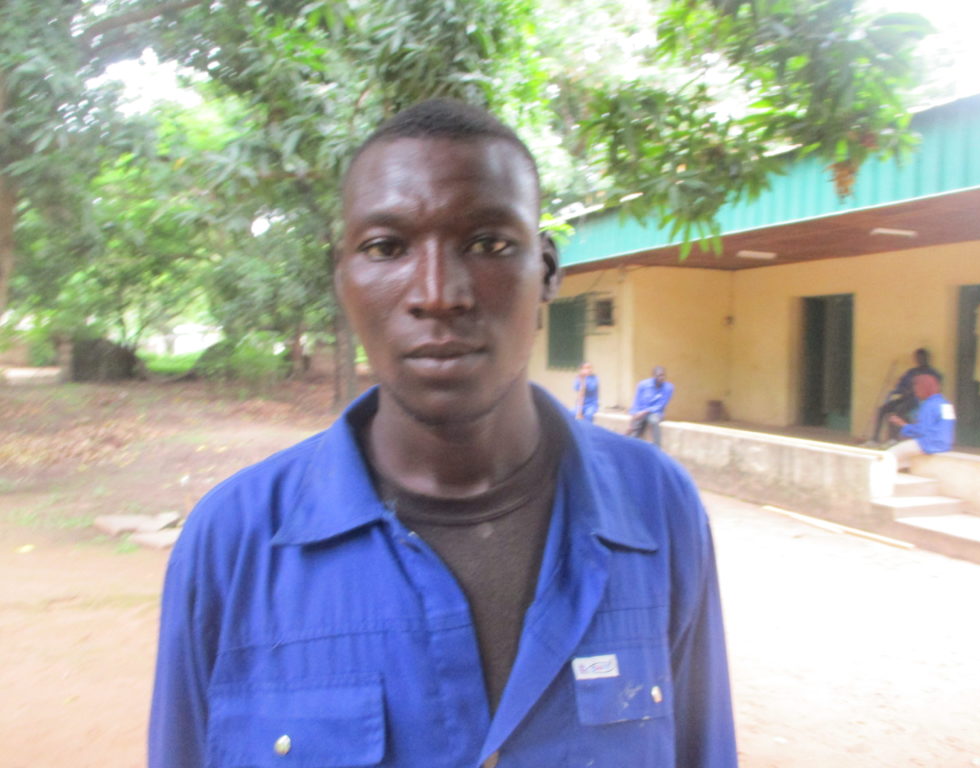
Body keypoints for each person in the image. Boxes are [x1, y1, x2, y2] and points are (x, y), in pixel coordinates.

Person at [149, 100, 736, 768]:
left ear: (547, 271)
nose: (437, 293)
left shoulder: (658, 507)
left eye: (488, 244)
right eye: (386, 247)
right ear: (342, 279)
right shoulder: (233, 541)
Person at [870, 348, 943, 443]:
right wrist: (902, 389)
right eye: (918, 358)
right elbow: (900, 385)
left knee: (898, 411)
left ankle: (893, 439)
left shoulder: (932, 373)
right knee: (883, 409)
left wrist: (915, 391)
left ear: (926, 358)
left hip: (918, 400)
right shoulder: (911, 372)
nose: (919, 360)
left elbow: (935, 389)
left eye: (922, 358)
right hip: (905, 398)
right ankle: (874, 439)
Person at [885, 372, 956, 469]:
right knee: (903, 462)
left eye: (917, 387)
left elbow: (922, 431)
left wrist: (903, 424)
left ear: (925, 388)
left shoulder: (929, 405)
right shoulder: (945, 403)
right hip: (944, 445)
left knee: (887, 456)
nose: (915, 391)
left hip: (928, 444)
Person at [628, 366, 675, 447]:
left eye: (663, 375)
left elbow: (661, 405)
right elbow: (637, 400)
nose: (661, 378)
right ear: (654, 376)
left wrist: (645, 412)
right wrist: (634, 414)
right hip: (641, 412)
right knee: (635, 430)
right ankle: (633, 446)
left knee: (654, 421)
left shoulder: (668, 387)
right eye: (659, 375)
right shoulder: (643, 385)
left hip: (655, 412)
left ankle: (657, 447)